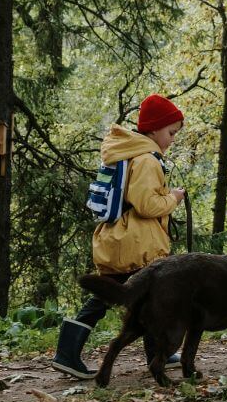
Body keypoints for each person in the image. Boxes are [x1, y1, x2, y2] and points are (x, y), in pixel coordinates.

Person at [52, 94, 186, 379]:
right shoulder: (147, 160)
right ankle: (155, 353)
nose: (173, 139)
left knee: (118, 297)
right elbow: (147, 205)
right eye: (171, 132)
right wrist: (173, 198)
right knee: (144, 296)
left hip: (118, 239)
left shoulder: (128, 153)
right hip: (136, 244)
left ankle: (69, 351)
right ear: (154, 129)